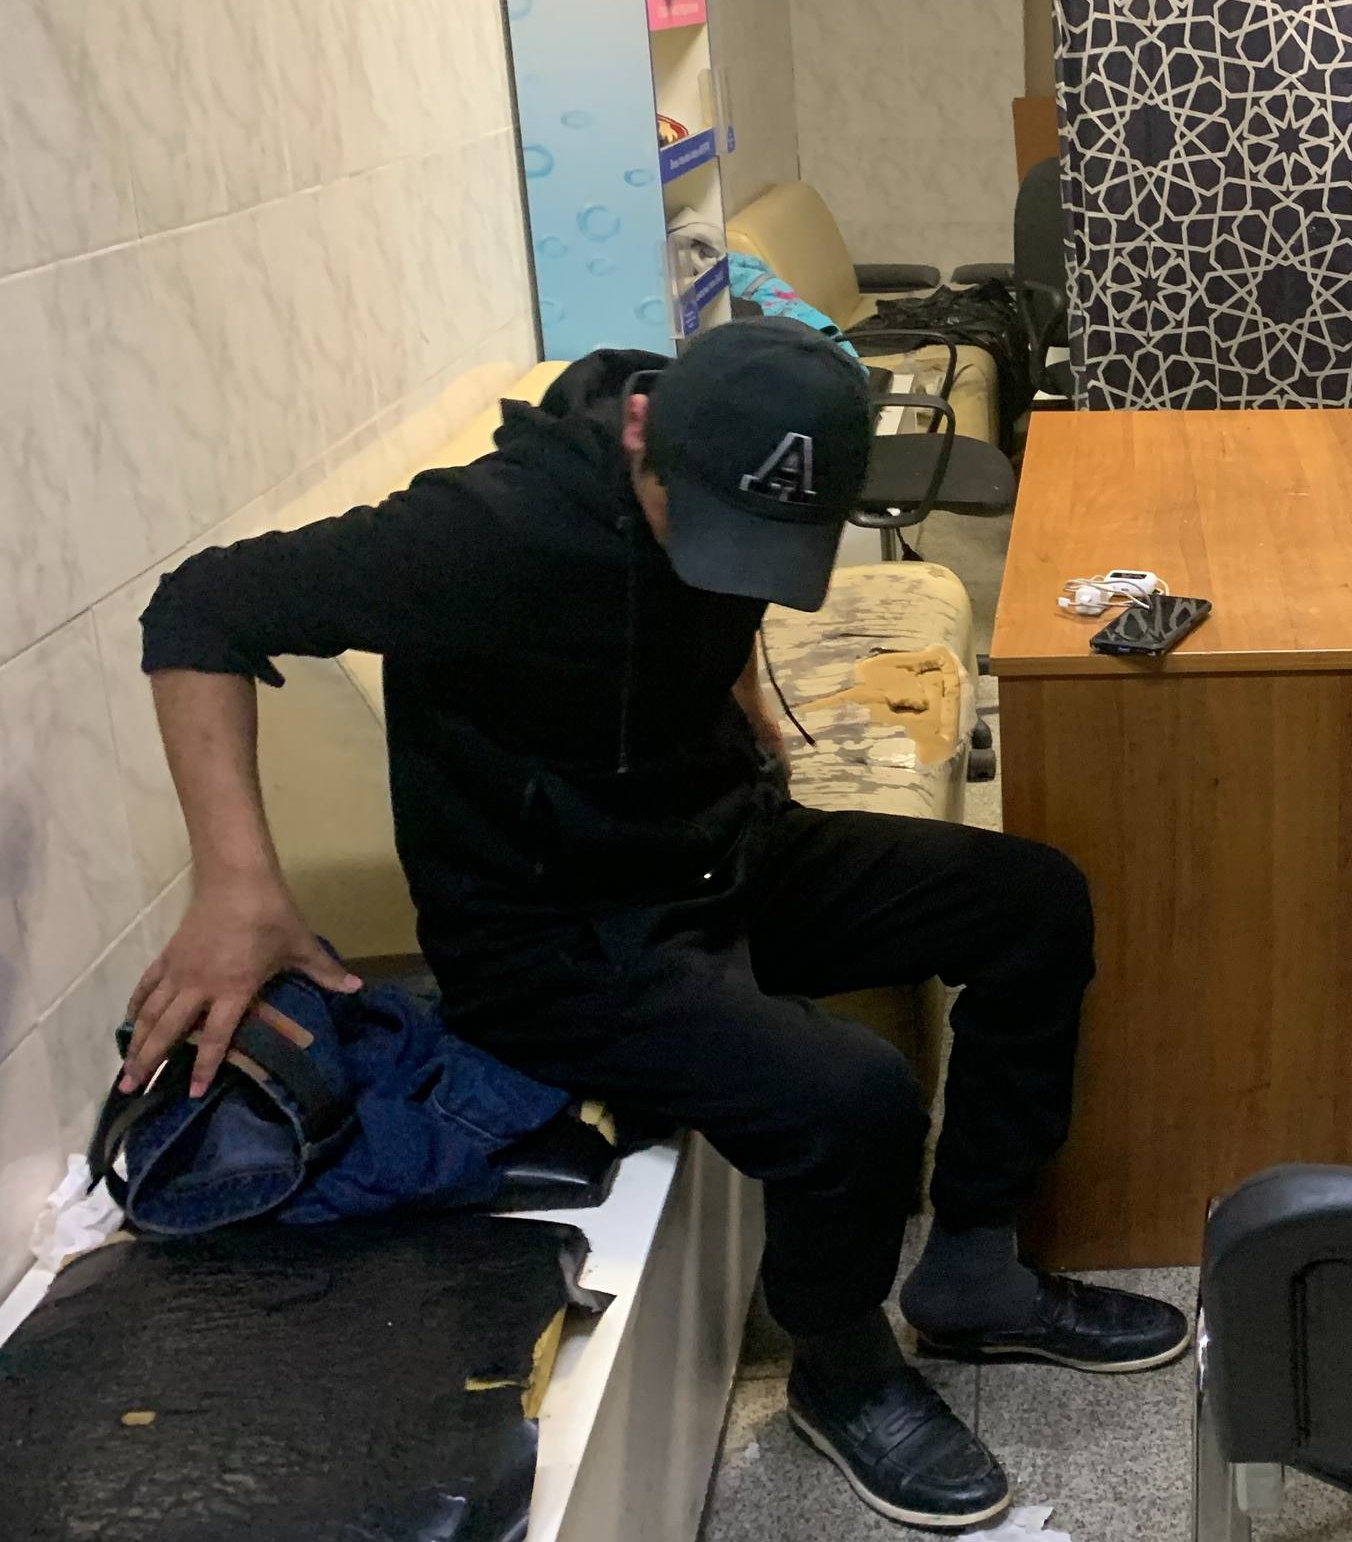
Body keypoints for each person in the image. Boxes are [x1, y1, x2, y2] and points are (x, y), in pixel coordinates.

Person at [125, 321, 1187, 1530]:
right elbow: (200, 608)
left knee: (1031, 899)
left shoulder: (725, 458)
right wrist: (237, 889)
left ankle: (974, 1272)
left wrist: (756, 733)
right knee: (854, 1096)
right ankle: (841, 1371)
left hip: (720, 854)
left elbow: (710, 605)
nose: (732, 566)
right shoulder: (483, 532)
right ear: (641, 434)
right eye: (711, 530)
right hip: (556, 939)